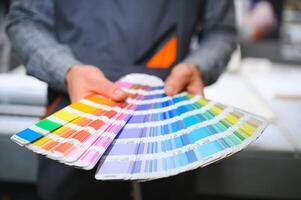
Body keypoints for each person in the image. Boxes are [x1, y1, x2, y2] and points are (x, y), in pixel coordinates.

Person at [6, 0, 237, 200]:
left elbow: (221, 30)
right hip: (76, 123)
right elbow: (26, 19)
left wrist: (199, 67)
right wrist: (66, 70)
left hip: (169, 131)